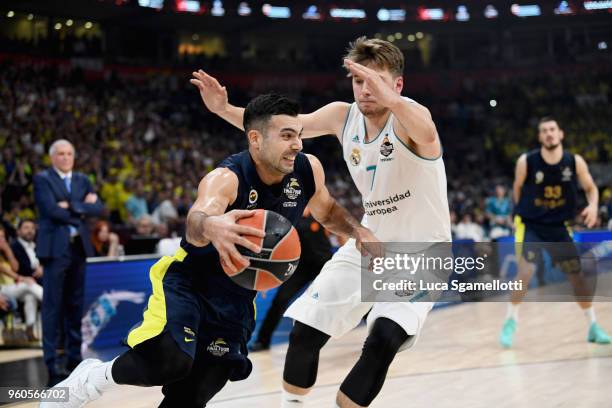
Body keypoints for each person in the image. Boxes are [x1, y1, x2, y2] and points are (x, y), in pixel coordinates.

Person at [44, 94, 380, 408]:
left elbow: (328, 210)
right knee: (173, 360)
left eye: (299, 135)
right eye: (287, 136)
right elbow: (198, 216)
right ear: (256, 139)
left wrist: (357, 229)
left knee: (199, 389)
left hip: (236, 298)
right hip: (190, 284)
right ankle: (94, 377)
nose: (297, 145)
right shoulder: (226, 178)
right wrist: (211, 226)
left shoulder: (307, 170)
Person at [191, 36, 452, 408]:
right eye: (358, 81)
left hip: (422, 254)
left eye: (375, 80)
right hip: (369, 242)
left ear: (397, 85)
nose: (365, 89)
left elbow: (427, 131)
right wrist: (223, 109)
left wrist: (391, 99)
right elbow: (277, 129)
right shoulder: (342, 116)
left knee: (382, 340)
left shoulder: (410, 117)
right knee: (304, 332)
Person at [499, 117, 610, 348]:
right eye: (544, 131)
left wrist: (592, 205)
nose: (549, 134)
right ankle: (510, 321)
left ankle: (592, 326)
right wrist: (521, 214)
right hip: (531, 226)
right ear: (540, 137)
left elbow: (590, 188)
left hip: (559, 227)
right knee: (525, 273)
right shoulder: (526, 161)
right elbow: (517, 188)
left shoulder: (574, 162)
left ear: (561, 134)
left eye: (552, 130)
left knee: (577, 278)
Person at [34, 139, 104, 386]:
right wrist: (82, 208)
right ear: (52, 157)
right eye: (60, 154)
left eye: (69, 154)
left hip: (78, 249)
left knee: (75, 305)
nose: (65, 158)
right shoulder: (43, 179)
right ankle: (52, 363)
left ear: (74, 156)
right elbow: (50, 210)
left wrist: (73, 206)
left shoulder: (83, 179)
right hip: (54, 250)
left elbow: (98, 209)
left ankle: (75, 360)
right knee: (52, 306)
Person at [249, 207, 335, 352]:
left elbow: (338, 235)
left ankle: (375, 326)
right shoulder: (288, 218)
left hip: (324, 264)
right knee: (279, 301)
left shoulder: (319, 212)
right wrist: (262, 279)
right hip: (300, 268)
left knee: (347, 290)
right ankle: (262, 341)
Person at [0, 225, 43, 342]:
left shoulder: (6, 251)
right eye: (0, 237)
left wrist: (7, 250)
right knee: (29, 285)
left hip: (11, 288)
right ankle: (48, 299)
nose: (2, 240)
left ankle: (29, 328)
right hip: (2, 289)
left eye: (3, 237)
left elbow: (15, 267)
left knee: (30, 296)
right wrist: (23, 279)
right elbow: (5, 271)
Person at [11, 219, 44, 284]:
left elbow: (44, 262)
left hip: (41, 278)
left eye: (33, 228)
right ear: (18, 231)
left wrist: (42, 268)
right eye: (26, 228)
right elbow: (19, 269)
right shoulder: (13, 247)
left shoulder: (38, 245)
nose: (30, 231)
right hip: (24, 280)